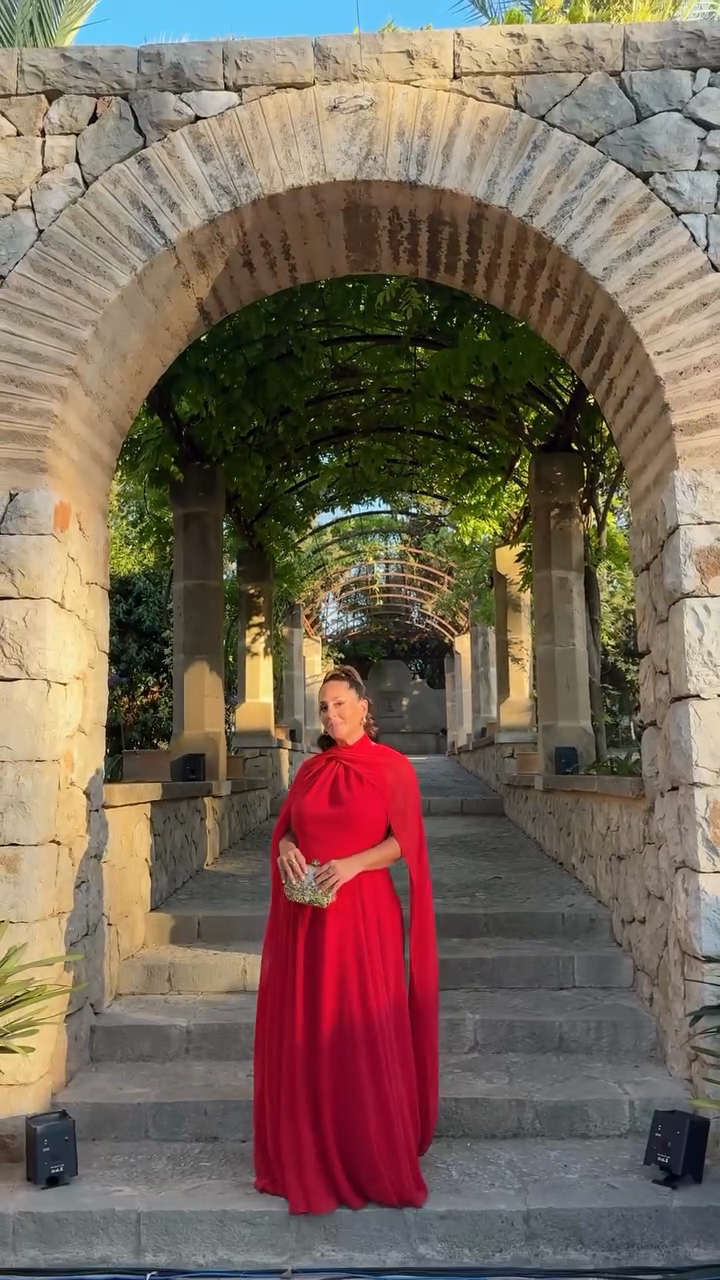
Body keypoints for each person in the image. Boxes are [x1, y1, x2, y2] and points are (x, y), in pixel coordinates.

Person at [253, 665, 438, 1215]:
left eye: (339, 704)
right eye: (324, 707)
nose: (331, 715)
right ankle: (311, 1149)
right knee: (312, 1030)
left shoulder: (392, 768)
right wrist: (286, 845)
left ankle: (368, 1155)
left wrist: (353, 864)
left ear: (363, 707)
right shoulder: (311, 770)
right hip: (308, 916)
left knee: (360, 1029)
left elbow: (405, 843)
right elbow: (290, 826)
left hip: (363, 916)